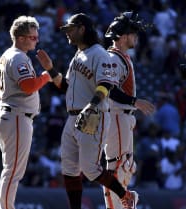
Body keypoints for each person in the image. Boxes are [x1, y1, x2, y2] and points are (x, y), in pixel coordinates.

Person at [45, 13, 138, 209]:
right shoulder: (78, 55)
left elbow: (106, 85)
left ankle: (125, 195)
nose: (67, 33)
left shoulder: (100, 54)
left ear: (82, 29)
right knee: (69, 169)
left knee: (91, 170)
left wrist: (93, 104)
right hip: (73, 116)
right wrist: (51, 71)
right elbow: (66, 86)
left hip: (93, 115)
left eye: (70, 29)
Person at [0, 15, 54, 209]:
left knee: (11, 170)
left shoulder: (7, 55)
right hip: (17, 116)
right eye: (33, 37)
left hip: (10, 113)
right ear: (20, 38)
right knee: (13, 172)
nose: (36, 40)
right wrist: (47, 75)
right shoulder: (18, 56)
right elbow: (28, 85)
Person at [102, 11, 155, 209]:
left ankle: (123, 202)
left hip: (122, 117)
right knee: (118, 167)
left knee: (124, 166)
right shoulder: (114, 58)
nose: (135, 37)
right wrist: (135, 101)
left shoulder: (121, 57)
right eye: (133, 33)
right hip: (117, 115)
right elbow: (110, 89)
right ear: (123, 36)